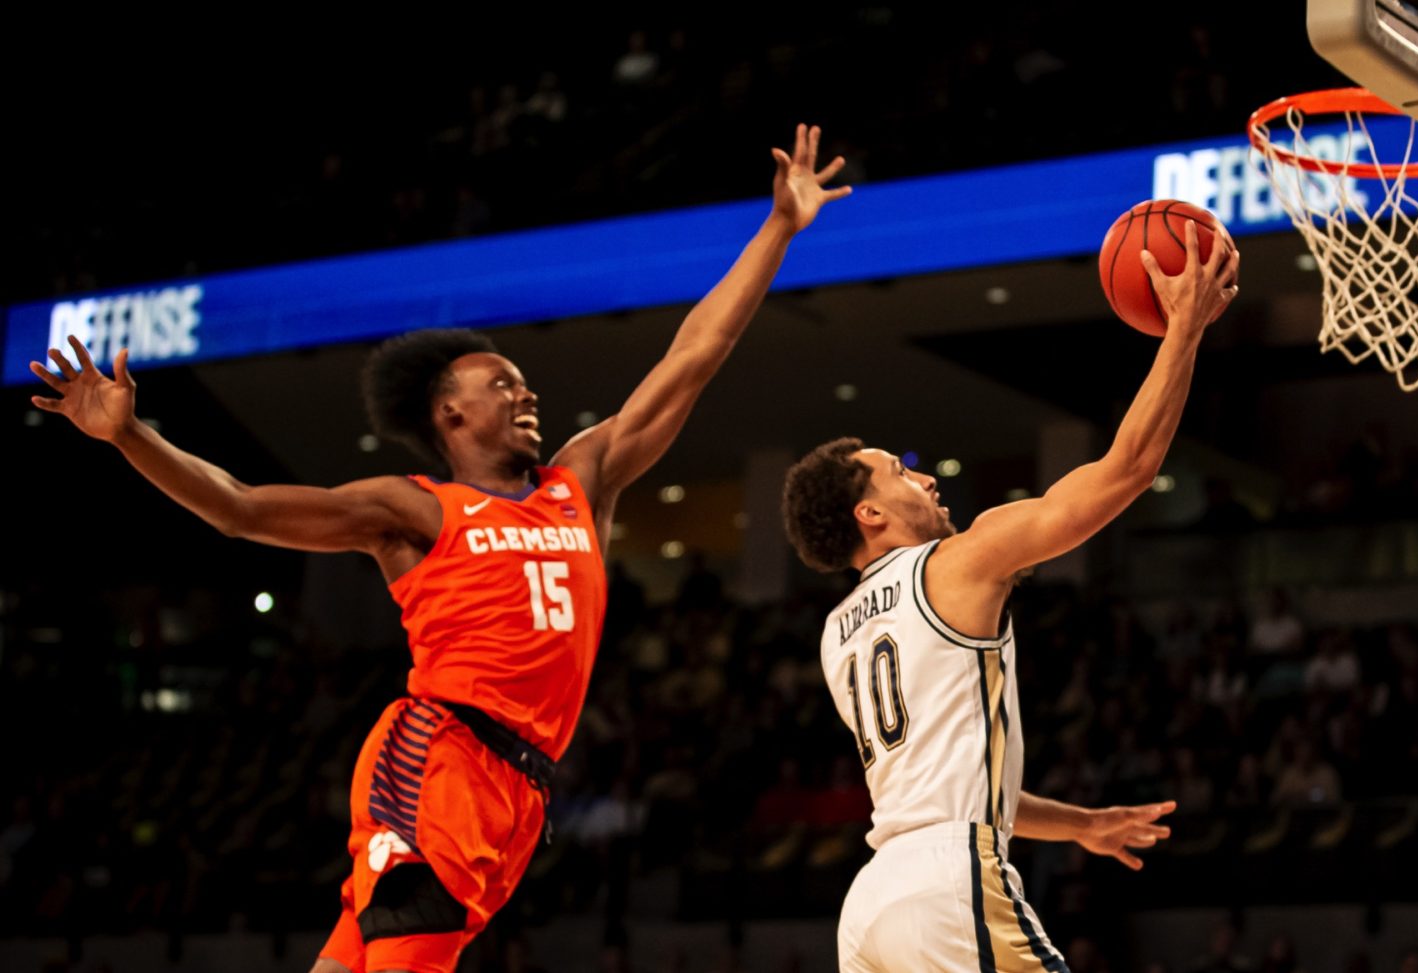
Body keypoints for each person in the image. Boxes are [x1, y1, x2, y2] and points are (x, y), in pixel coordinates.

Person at [30, 124, 851, 973]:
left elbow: (696, 353)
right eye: (502, 384)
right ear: (449, 413)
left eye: (524, 384)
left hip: (521, 787)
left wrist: (779, 228)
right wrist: (131, 436)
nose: (526, 394)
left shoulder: (582, 480)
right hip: (440, 755)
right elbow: (238, 508)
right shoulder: (415, 510)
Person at [780, 222, 1238, 971]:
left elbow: (953, 782)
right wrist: (1184, 329)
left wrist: (1080, 824)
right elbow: (1126, 471)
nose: (925, 478)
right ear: (870, 513)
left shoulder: (837, 633)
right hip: (948, 883)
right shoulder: (957, 561)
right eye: (900, 472)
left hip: (872, 903)